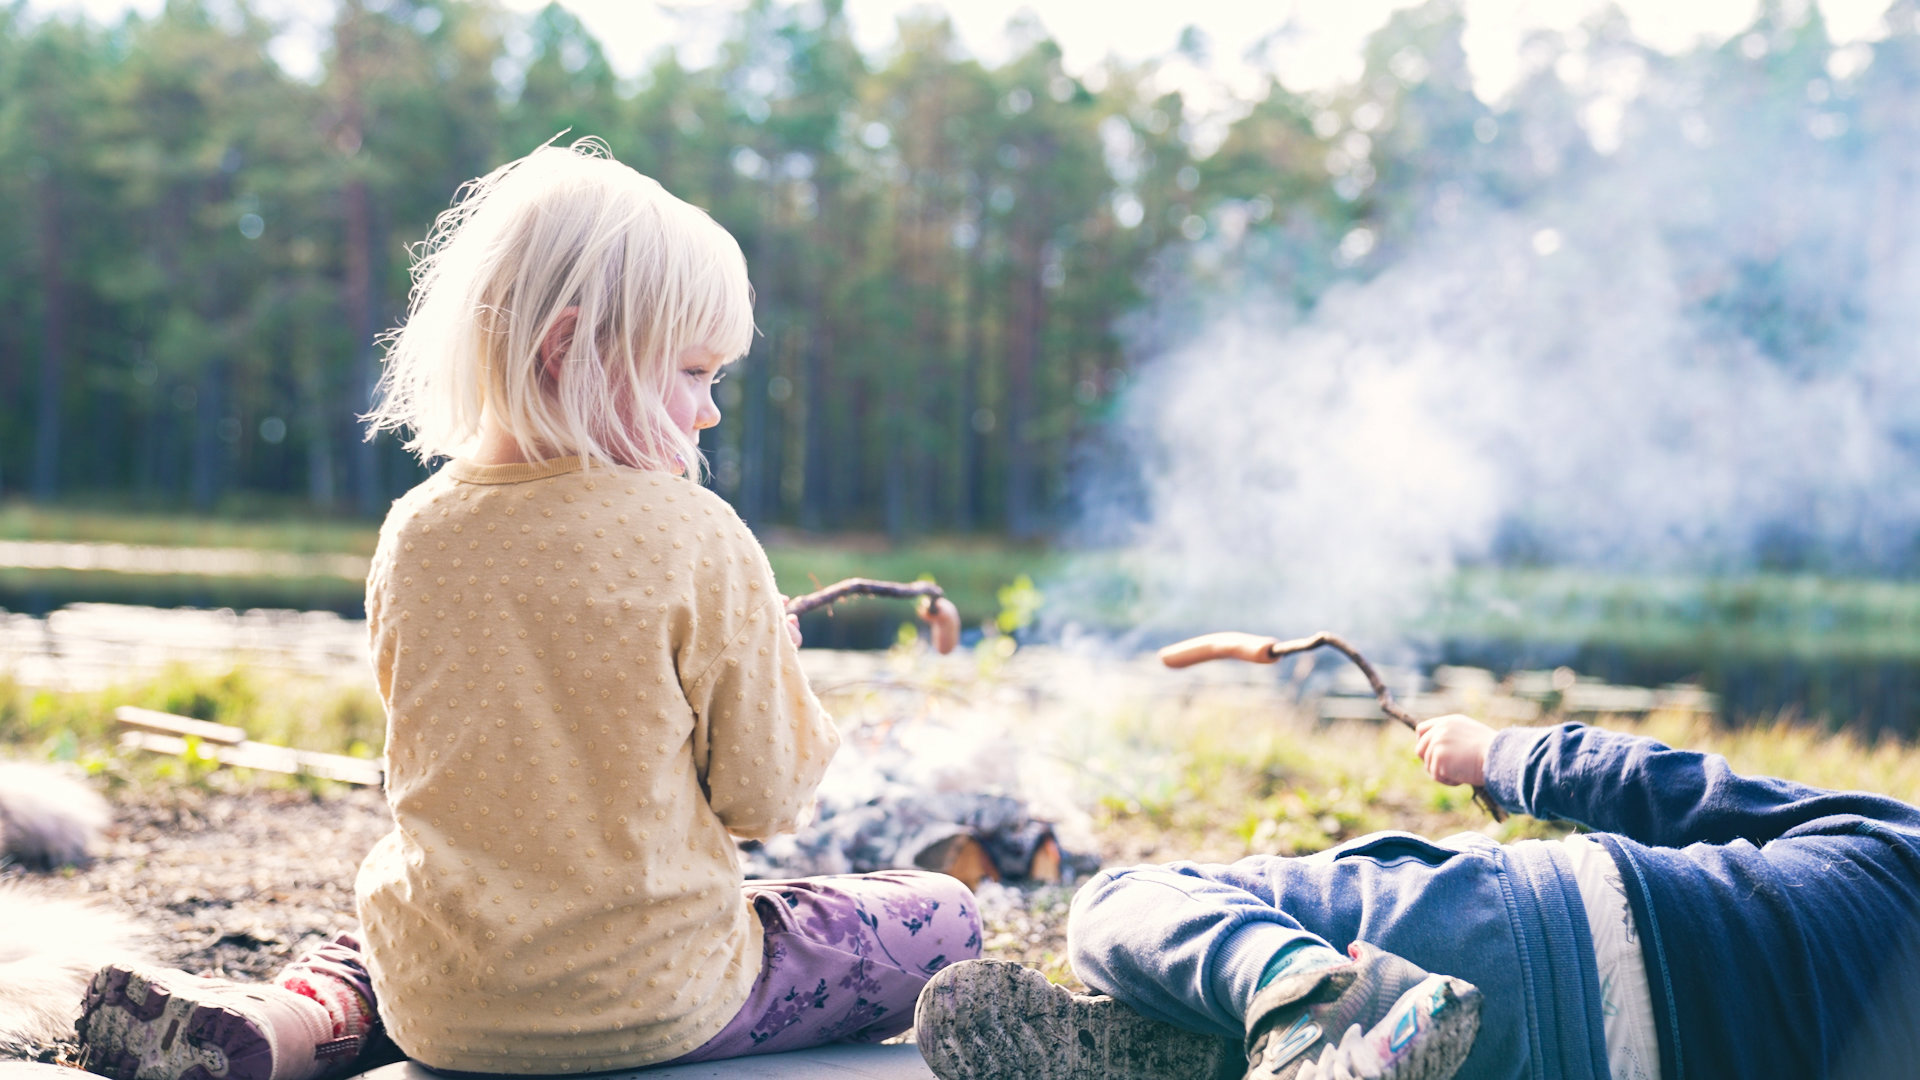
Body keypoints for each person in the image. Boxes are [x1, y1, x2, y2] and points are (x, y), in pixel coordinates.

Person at [73, 139, 980, 1080]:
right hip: (655, 1003)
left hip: (447, 1003)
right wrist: (772, 666)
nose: (708, 411)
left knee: (402, 929)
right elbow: (765, 798)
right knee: (939, 915)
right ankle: (326, 1016)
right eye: (694, 373)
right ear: (568, 347)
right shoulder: (698, 535)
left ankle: (292, 1024)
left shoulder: (414, 529)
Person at [915, 713, 1920, 1080]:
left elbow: (1675, 791)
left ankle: (1299, 992)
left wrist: (1504, 753)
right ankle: (1208, 1051)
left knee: (1124, 899)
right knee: (1349, 1053)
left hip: (1544, 929)